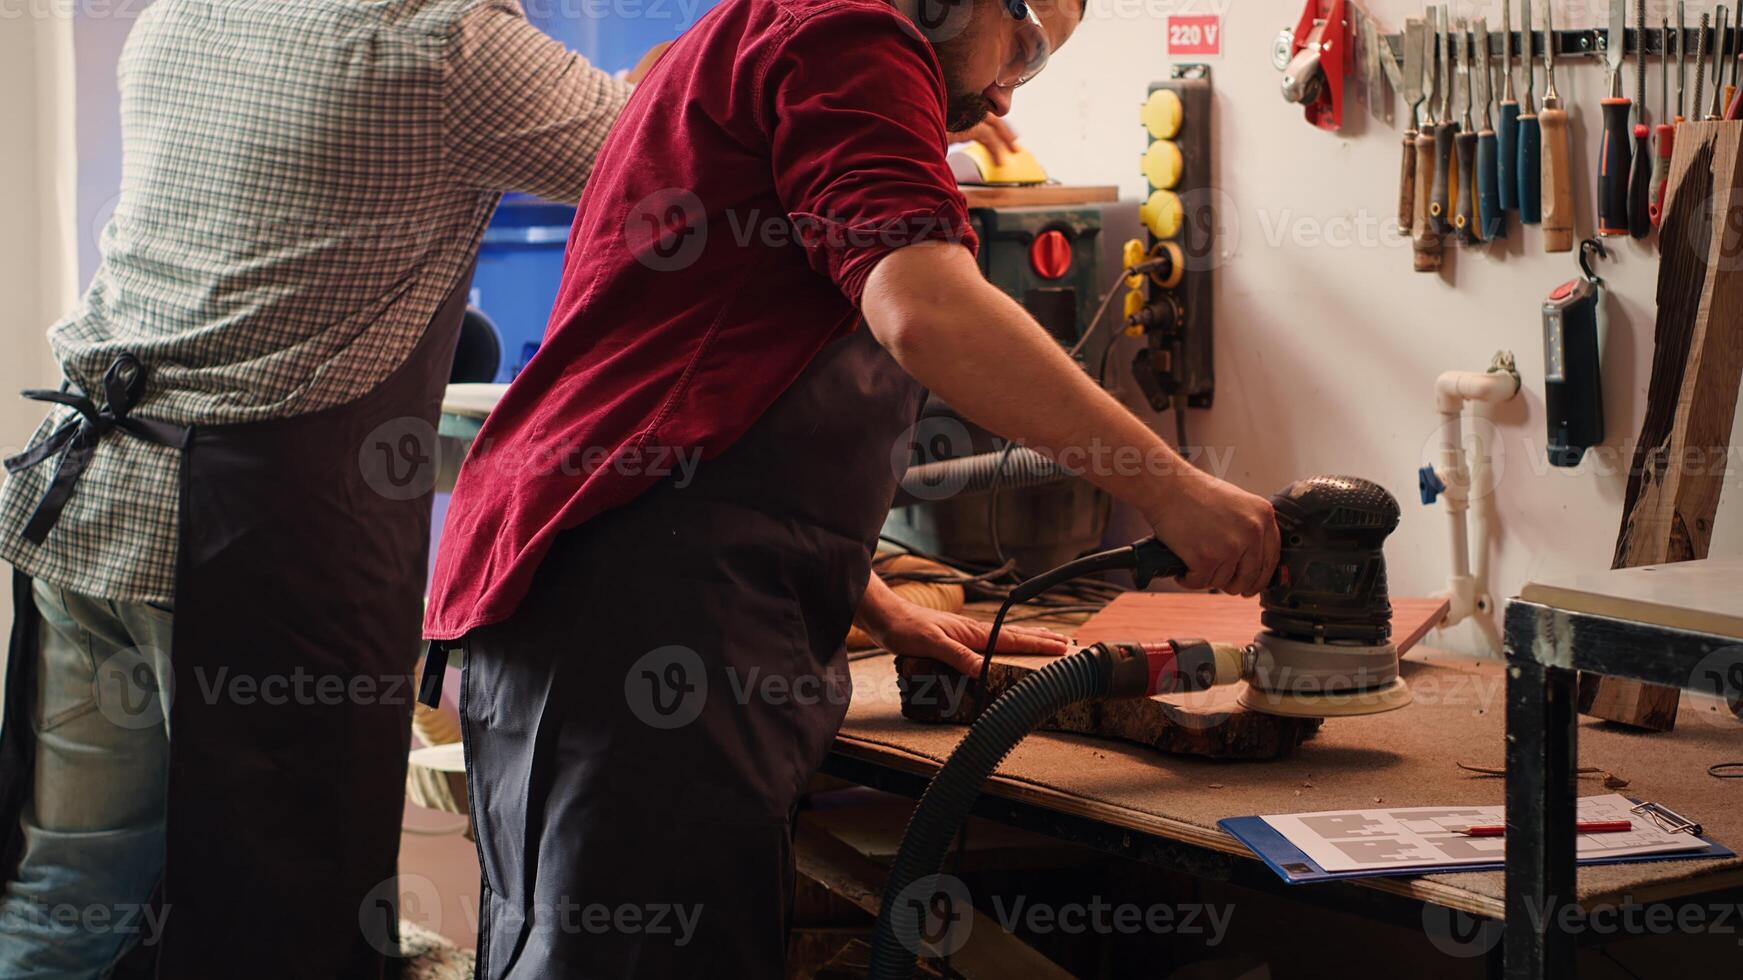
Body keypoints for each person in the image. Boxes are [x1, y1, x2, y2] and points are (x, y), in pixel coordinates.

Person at [423, 0, 1280, 975]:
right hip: (636, 611)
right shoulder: (852, 38)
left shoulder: (756, 34)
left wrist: (866, 594)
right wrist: (1171, 489)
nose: (1007, 92)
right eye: (1029, 48)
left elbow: (709, 367)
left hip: (614, 589)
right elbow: (925, 310)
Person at [0, 1, 650, 976]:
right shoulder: (449, 45)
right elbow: (672, 151)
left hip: (83, 507)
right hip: (243, 550)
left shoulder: (185, 12)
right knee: (284, 918)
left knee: (71, 897)